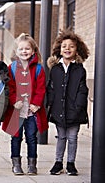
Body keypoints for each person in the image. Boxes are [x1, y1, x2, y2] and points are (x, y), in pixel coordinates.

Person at [2, 33, 48, 175]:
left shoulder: (39, 69)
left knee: (31, 138)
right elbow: (9, 87)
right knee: (16, 137)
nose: (24, 51)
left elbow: (41, 89)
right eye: (21, 49)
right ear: (16, 51)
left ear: (33, 51)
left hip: (32, 111)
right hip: (17, 110)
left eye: (27, 49)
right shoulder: (11, 68)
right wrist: (14, 100)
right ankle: (16, 164)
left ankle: (32, 164)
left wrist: (36, 104)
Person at [46, 29, 90, 176]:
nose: (67, 48)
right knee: (61, 137)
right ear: (59, 49)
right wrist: (50, 106)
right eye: (64, 46)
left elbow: (82, 90)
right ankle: (58, 163)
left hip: (75, 111)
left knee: (72, 138)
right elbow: (51, 89)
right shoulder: (55, 69)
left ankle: (71, 163)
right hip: (59, 110)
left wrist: (79, 107)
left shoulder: (80, 70)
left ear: (77, 50)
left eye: (71, 46)